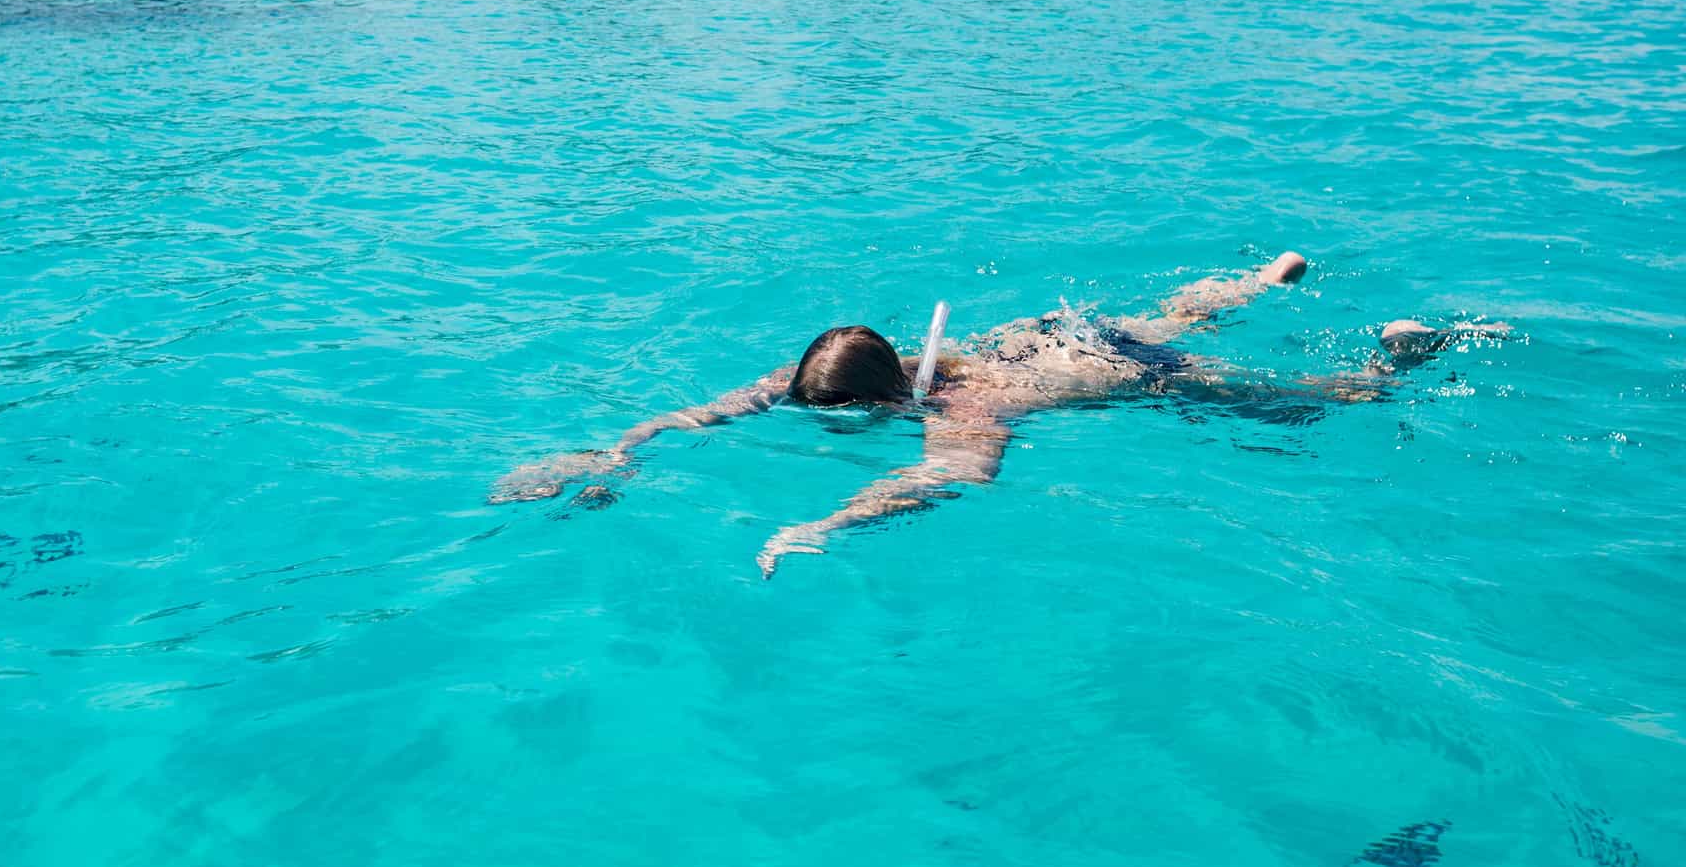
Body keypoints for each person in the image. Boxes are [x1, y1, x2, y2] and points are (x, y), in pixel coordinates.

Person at [492, 253, 1508, 576]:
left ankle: (1384, 368)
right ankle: (1266, 274)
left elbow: (958, 475)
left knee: (1287, 404)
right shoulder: (828, 369)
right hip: (1066, 328)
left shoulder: (959, 400)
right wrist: (612, 452)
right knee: (1173, 311)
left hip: (1129, 374)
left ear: (883, 397)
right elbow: (698, 413)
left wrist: (825, 523)